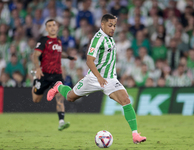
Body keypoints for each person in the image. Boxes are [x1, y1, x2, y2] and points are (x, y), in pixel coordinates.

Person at [47, 14, 146, 144]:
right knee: (70, 97)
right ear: (102, 25)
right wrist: (99, 77)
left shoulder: (110, 38)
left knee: (126, 100)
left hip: (110, 79)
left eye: (115, 26)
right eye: (110, 25)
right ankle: (58, 86)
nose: (113, 28)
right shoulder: (97, 39)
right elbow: (89, 60)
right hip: (93, 78)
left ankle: (135, 135)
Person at [32, 19, 76, 131]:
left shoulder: (59, 42)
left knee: (60, 97)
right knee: (36, 99)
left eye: (54, 25)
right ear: (46, 29)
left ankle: (61, 122)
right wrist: (37, 68)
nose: (52, 27)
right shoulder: (43, 40)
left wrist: (69, 57)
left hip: (57, 75)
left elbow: (59, 54)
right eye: (49, 26)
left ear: (57, 28)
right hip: (44, 74)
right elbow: (35, 55)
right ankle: (34, 80)